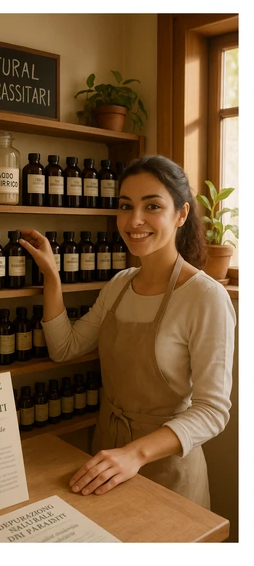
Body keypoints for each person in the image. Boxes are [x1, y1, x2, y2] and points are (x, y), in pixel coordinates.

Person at [19, 155, 236, 509]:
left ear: (181, 215)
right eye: (125, 206)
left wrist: (135, 454)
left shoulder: (206, 297)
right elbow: (65, 348)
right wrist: (51, 276)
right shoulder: (118, 285)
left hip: (167, 469)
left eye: (152, 206)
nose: (134, 220)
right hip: (105, 460)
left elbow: (213, 410)